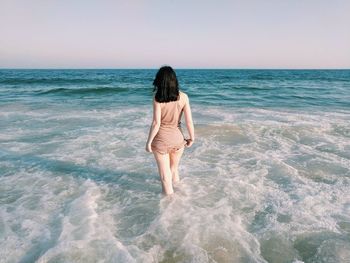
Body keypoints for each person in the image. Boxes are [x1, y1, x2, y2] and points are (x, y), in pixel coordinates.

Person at [146, 66, 195, 195]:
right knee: (174, 169)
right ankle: (181, 195)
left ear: (160, 80)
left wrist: (148, 142)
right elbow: (189, 121)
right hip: (178, 139)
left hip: (161, 140)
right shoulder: (184, 97)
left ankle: (169, 204)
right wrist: (192, 138)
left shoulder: (157, 98)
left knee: (164, 175)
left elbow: (156, 123)